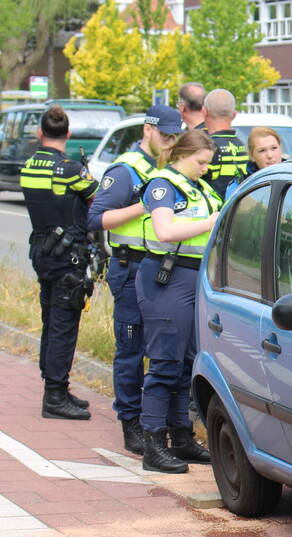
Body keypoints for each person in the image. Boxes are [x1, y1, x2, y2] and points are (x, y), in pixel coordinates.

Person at [87, 105, 183, 454]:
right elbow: (96, 219)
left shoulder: (169, 170)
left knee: (165, 349)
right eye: (165, 135)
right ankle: (131, 424)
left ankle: (162, 423)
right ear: (148, 130)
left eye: (175, 137)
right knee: (131, 350)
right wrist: (145, 205)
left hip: (163, 270)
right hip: (130, 269)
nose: (170, 142)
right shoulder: (127, 170)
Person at [137, 130, 221, 473]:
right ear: (183, 154)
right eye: (201, 162)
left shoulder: (199, 187)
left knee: (186, 361)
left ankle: (181, 437)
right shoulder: (163, 185)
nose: (205, 168)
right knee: (165, 362)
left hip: (194, 278)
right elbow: (165, 231)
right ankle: (153, 444)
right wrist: (210, 222)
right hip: (168, 278)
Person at [20, 105, 99, 420]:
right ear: (67, 134)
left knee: (50, 319)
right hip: (68, 256)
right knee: (64, 324)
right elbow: (95, 200)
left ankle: (56, 387)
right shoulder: (69, 169)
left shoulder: (29, 165)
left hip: (41, 250)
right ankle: (54, 396)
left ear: (41, 133)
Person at [202, 88, 248, 201]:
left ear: (204, 111)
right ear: (234, 115)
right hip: (236, 210)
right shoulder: (242, 146)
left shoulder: (207, 146)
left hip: (214, 214)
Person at [224, 126, 283, 199]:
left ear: (281, 149)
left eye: (274, 148)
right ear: (252, 156)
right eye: (262, 150)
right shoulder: (240, 187)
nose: (270, 156)